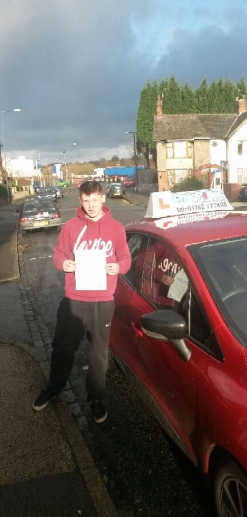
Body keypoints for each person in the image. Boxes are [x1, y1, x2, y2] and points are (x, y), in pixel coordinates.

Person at [32, 180, 131, 423]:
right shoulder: (70, 227)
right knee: (63, 349)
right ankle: (53, 388)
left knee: (98, 354)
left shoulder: (117, 228)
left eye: (95, 200)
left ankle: (95, 398)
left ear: (103, 199)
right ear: (80, 201)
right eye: (86, 201)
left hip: (103, 301)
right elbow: (58, 254)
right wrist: (62, 264)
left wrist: (117, 267)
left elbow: (126, 259)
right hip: (74, 299)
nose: (91, 206)